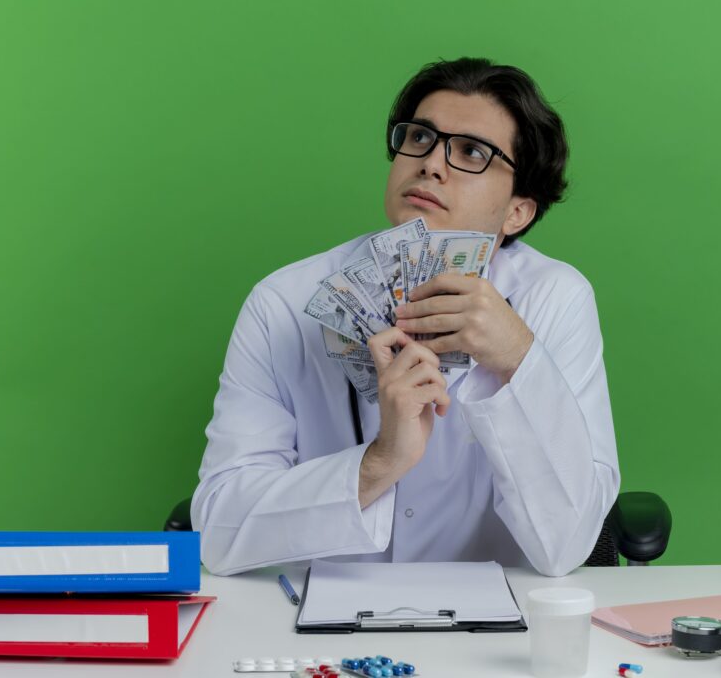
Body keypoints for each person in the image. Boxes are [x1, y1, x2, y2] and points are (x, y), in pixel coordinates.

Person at [192, 58, 620, 577]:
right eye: (420, 137)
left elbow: (568, 544)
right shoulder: (284, 302)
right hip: (315, 630)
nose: (431, 164)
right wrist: (380, 462)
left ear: (517, 212)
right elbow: (217, 530)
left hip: (494, 637)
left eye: (471, 152)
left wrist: (518, 362)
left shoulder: (554, 299)